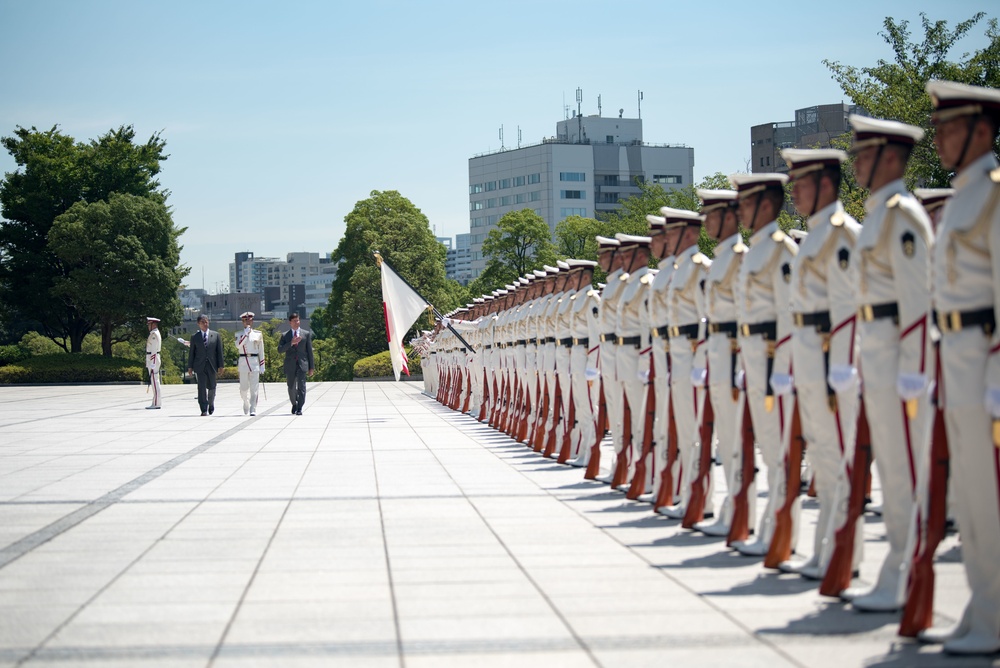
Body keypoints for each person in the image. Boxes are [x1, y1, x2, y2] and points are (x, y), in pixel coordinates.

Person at [840, 114, 934, 612]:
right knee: (890, 472)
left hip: (900, 362)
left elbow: (918, 300)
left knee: (903, 472)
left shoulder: (902, 216)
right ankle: (896, 570)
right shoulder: (878, 215)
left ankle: (906, 574)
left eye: (863, 154)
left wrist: (915, 371)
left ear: (891, 157)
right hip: (876, 354)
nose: (855, 164)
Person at [922, 79, 1000, 655]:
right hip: (955, 362)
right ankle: (981, 603)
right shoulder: (961, 201)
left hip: (984, 363)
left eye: (950, 127)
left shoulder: (995, 194)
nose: (941, 138)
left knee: (989, 494)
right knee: (969, 494)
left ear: (981, 129)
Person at [780, 148, 861, 579]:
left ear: (825, 185)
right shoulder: (813, 236)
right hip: (812, 355)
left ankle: (845, 551)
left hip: (833, 360)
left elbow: (848, 306)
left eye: (800, 184)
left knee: (838, 456)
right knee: (823, 455)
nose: (793, 193)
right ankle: (827, 548)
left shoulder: (840, 233)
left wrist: (842, 364)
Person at [187, 314, 224, 416]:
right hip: (200, 365)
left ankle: (211, 403)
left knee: (212, 386)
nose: (205, 323)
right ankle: (204, 408)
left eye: (207, 321)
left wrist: (221, 365)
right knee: (201, 387)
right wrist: (190, 367)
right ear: (198, 324)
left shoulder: (215, 335)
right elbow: (192, 353)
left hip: (212, 365)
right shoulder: (195, 337)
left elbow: (219, 352)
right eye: (203, 322)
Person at [278, 312, 315, 415]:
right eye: (294, 321)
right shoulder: (285, 335)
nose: (297, 322)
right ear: (290, 322)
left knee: (302, 386)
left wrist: (311, 367)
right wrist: (291, 343)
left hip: (302, 364)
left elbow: (309, 352)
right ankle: (294, 403)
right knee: (291, 387)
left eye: (298, 320)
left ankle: (300, 407)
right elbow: (280, 350)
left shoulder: (305, 334)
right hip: (290, 364)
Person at [236, 311, 266, 416]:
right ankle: (245, 402)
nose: (247, 322)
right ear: (242, 322)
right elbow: (238, 346)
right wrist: (245, 334)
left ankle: (253, 408)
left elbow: (261, 350)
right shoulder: (239, 334)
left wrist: (262, 365)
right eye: (245, 320)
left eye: (249, 320)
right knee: (243, 389)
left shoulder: (258, 334)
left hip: (254, 362)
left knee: (254, 388)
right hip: (243, 362)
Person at [145, 316, 162, 410]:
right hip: (152, 358)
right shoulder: (153, 333)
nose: (148, 326)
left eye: (149, 324)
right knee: (154, 381)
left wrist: (152, 362)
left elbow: (154, 350)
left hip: (153, 358)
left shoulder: (154, 334)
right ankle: (155, 401)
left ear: (153, 324)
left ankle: (156, 403)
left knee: (155, 381)